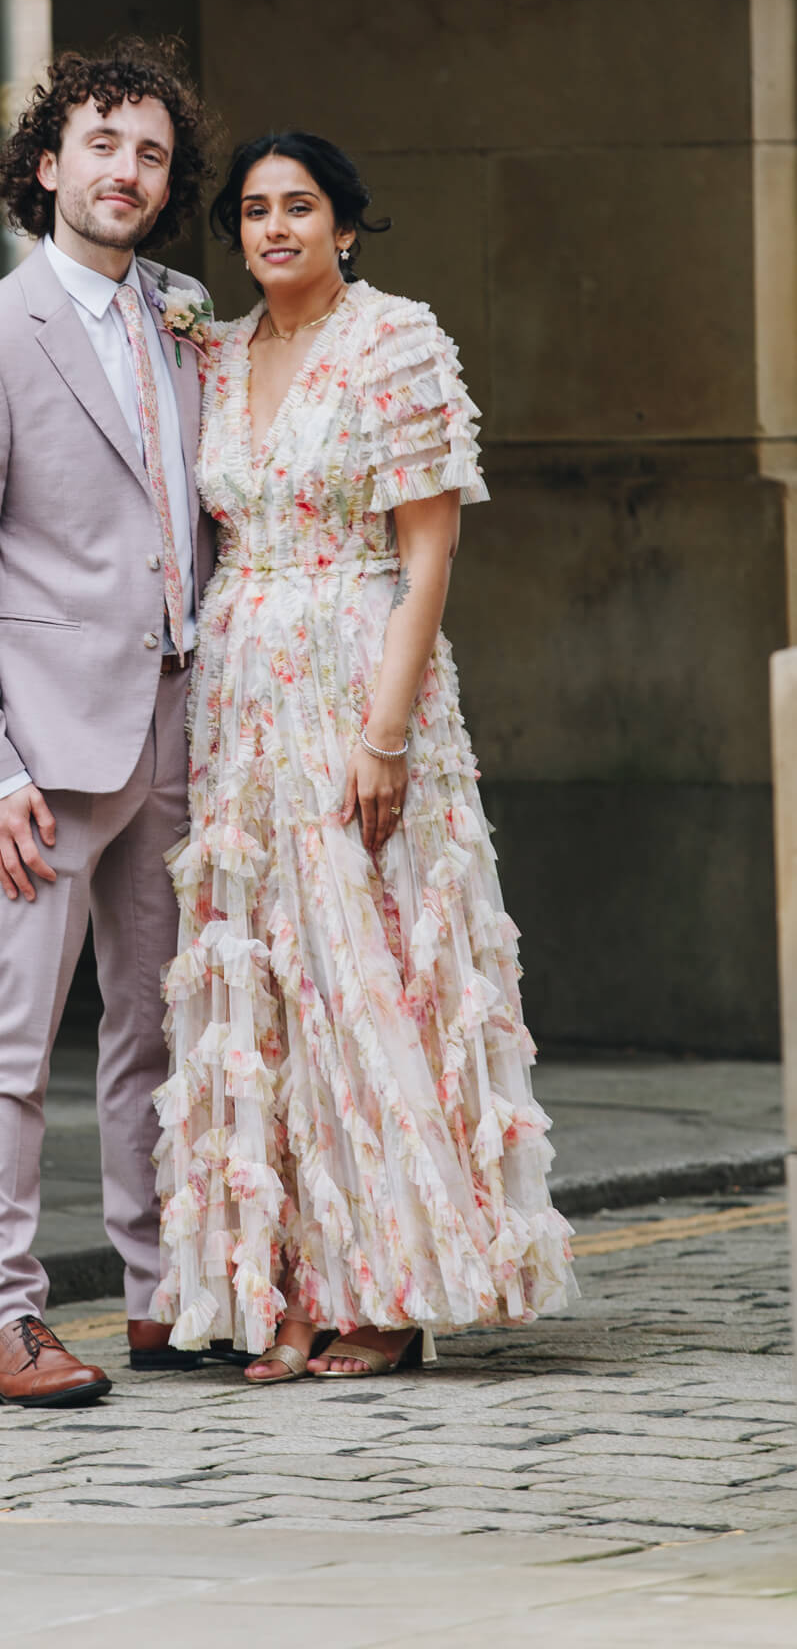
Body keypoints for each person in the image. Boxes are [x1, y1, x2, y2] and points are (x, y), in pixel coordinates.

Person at [150, 132, 577, 1382]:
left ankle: (387, 1283)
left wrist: (384, 734)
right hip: (241, 705)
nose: (273, 226)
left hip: (356, 677)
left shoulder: (397, 341)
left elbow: (429, 557)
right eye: (251, 210)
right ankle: (292, 1286)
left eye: (300, 206)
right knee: (268, 981)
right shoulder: (218, 354)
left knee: (364, 965)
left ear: (347, 225)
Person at [0, 41, 217, 1406]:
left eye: (149, 152)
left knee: (157, 1029)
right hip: (40, 758)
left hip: (180, 735)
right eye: (102, 144)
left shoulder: (190, 314)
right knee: (13, 1033)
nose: (126, 172)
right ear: (48, 166)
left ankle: (159, 1297)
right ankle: (4, 1318)